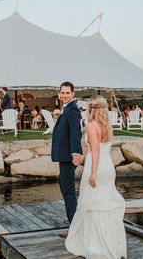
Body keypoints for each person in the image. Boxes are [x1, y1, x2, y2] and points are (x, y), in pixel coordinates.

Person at [65, 95, 126, 258]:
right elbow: (95, 149)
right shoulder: (107, 125)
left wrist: (92, 173)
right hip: (108, 166)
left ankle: (97, 244)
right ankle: (111, 242)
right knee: (105, 203)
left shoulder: (91, 125)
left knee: (93, 203)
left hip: (97, 167)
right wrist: (82, 158)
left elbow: (96, 151)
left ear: (91, 109)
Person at [51, 81, 83, 232]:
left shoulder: (72, 110)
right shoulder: (66, 108)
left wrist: (76, 153)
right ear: (59, 94)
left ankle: (75, 228)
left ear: (73, 94)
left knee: (68, 190)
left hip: (68, 156)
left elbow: (76, 133)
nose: (64, 95)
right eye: (62, 93)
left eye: (67, 93)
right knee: (63, 185)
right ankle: (75, 224)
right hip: (63, 155)